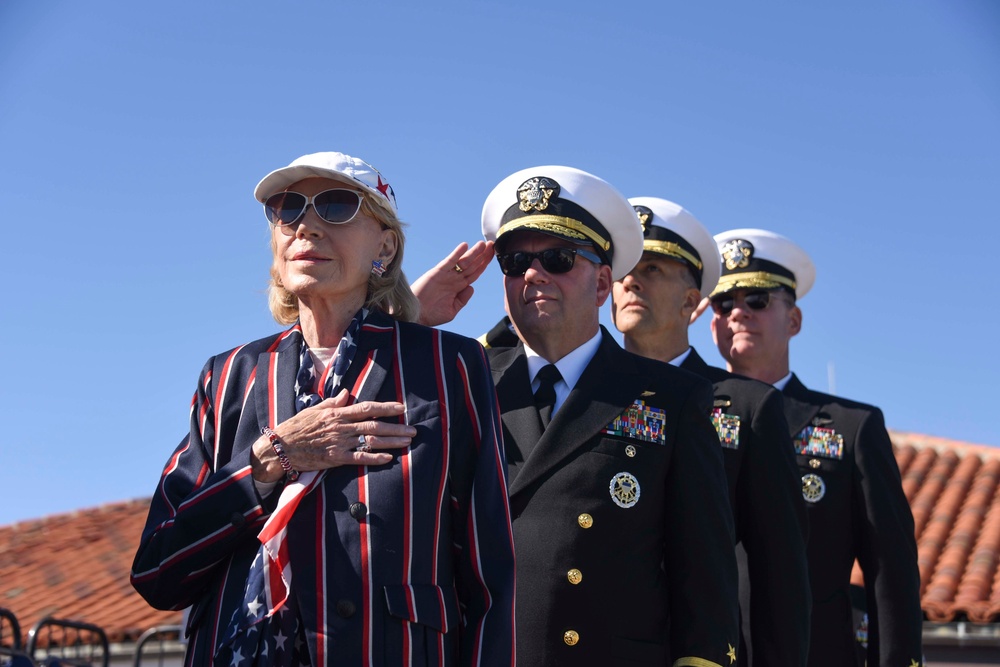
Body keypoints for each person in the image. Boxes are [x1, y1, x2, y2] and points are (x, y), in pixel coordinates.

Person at [131, 152, 516, 667]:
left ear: (385, 244)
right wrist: (269, 460)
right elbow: (158, 570)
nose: (306, 224)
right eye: (287, 209)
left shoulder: (448, 365)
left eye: (336, 206)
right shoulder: (229, 377)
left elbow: (491, 577)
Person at [478, 166, 739, 666]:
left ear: (603, 284)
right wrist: (419, 313)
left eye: (557, 259)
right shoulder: (466, 381)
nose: (534, 275)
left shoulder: (672, 397)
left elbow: (703, 575)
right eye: (515, 262)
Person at [706, 228, 923, 667]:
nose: (738, 313)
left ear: (794, 320)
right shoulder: (687, 416)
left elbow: (890, 574)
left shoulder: (851, 427)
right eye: (724, 303)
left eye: (758, 300)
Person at [610, 198, 811, 667]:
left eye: (653, 269)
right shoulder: (583, 394)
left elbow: (778, 573)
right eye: (622, 272)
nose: (631, 281)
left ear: (690, 302)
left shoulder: (746, 405)